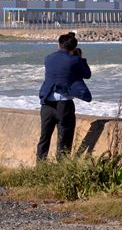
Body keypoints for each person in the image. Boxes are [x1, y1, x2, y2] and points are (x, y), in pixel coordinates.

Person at [36, 32, 92, 160]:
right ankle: (61, 168)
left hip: (47, 104)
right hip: (64, 106)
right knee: (64, 140)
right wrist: (80, 58)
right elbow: (87, 74)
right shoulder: (75, 60)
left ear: (59, 45)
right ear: (74, 47)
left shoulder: (48, 59)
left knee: (44, 138)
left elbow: (60, 68)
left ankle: (40, 166)